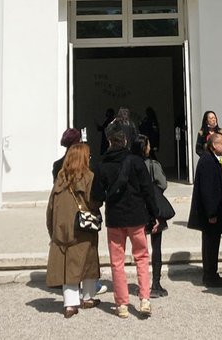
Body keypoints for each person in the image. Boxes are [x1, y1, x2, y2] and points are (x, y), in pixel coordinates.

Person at [92, 123, 157, 318]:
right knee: (142, 257)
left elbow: (96, 195)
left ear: (109, 142)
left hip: (115, 217)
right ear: (126, 141)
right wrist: (153, 214)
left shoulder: (102, 164)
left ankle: (121, 304)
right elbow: (147, 190)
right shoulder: (136, 161)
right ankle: (144, 298)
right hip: (136, 215)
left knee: (117, 262)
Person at [46, 142, 103, 319]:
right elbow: (95, 202)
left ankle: (70, 304)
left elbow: (50, 208)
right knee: (88, 261)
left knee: (67, 264)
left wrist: (52, 230)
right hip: (83, 227)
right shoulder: (89, 177)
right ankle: (88, 297)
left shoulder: (60, 179)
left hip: (62, 229)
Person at [189, 130, 222, 287]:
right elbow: (208, 190)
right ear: (214, 145)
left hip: (213, 211)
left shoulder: (211, 159)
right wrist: (212, 212)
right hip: (211, 213)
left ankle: (211, 273)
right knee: (210, 244)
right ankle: (210, 275)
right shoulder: (208, 161)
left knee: (212, 244)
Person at [135, 136, 174, 297]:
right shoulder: (153, 165)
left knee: (140, 249)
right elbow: (163, 184)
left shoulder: (131, 165)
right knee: (156, 247)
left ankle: (142, 283)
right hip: (154, 208)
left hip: (138, 209)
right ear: (145, 148)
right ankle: (156, 283)